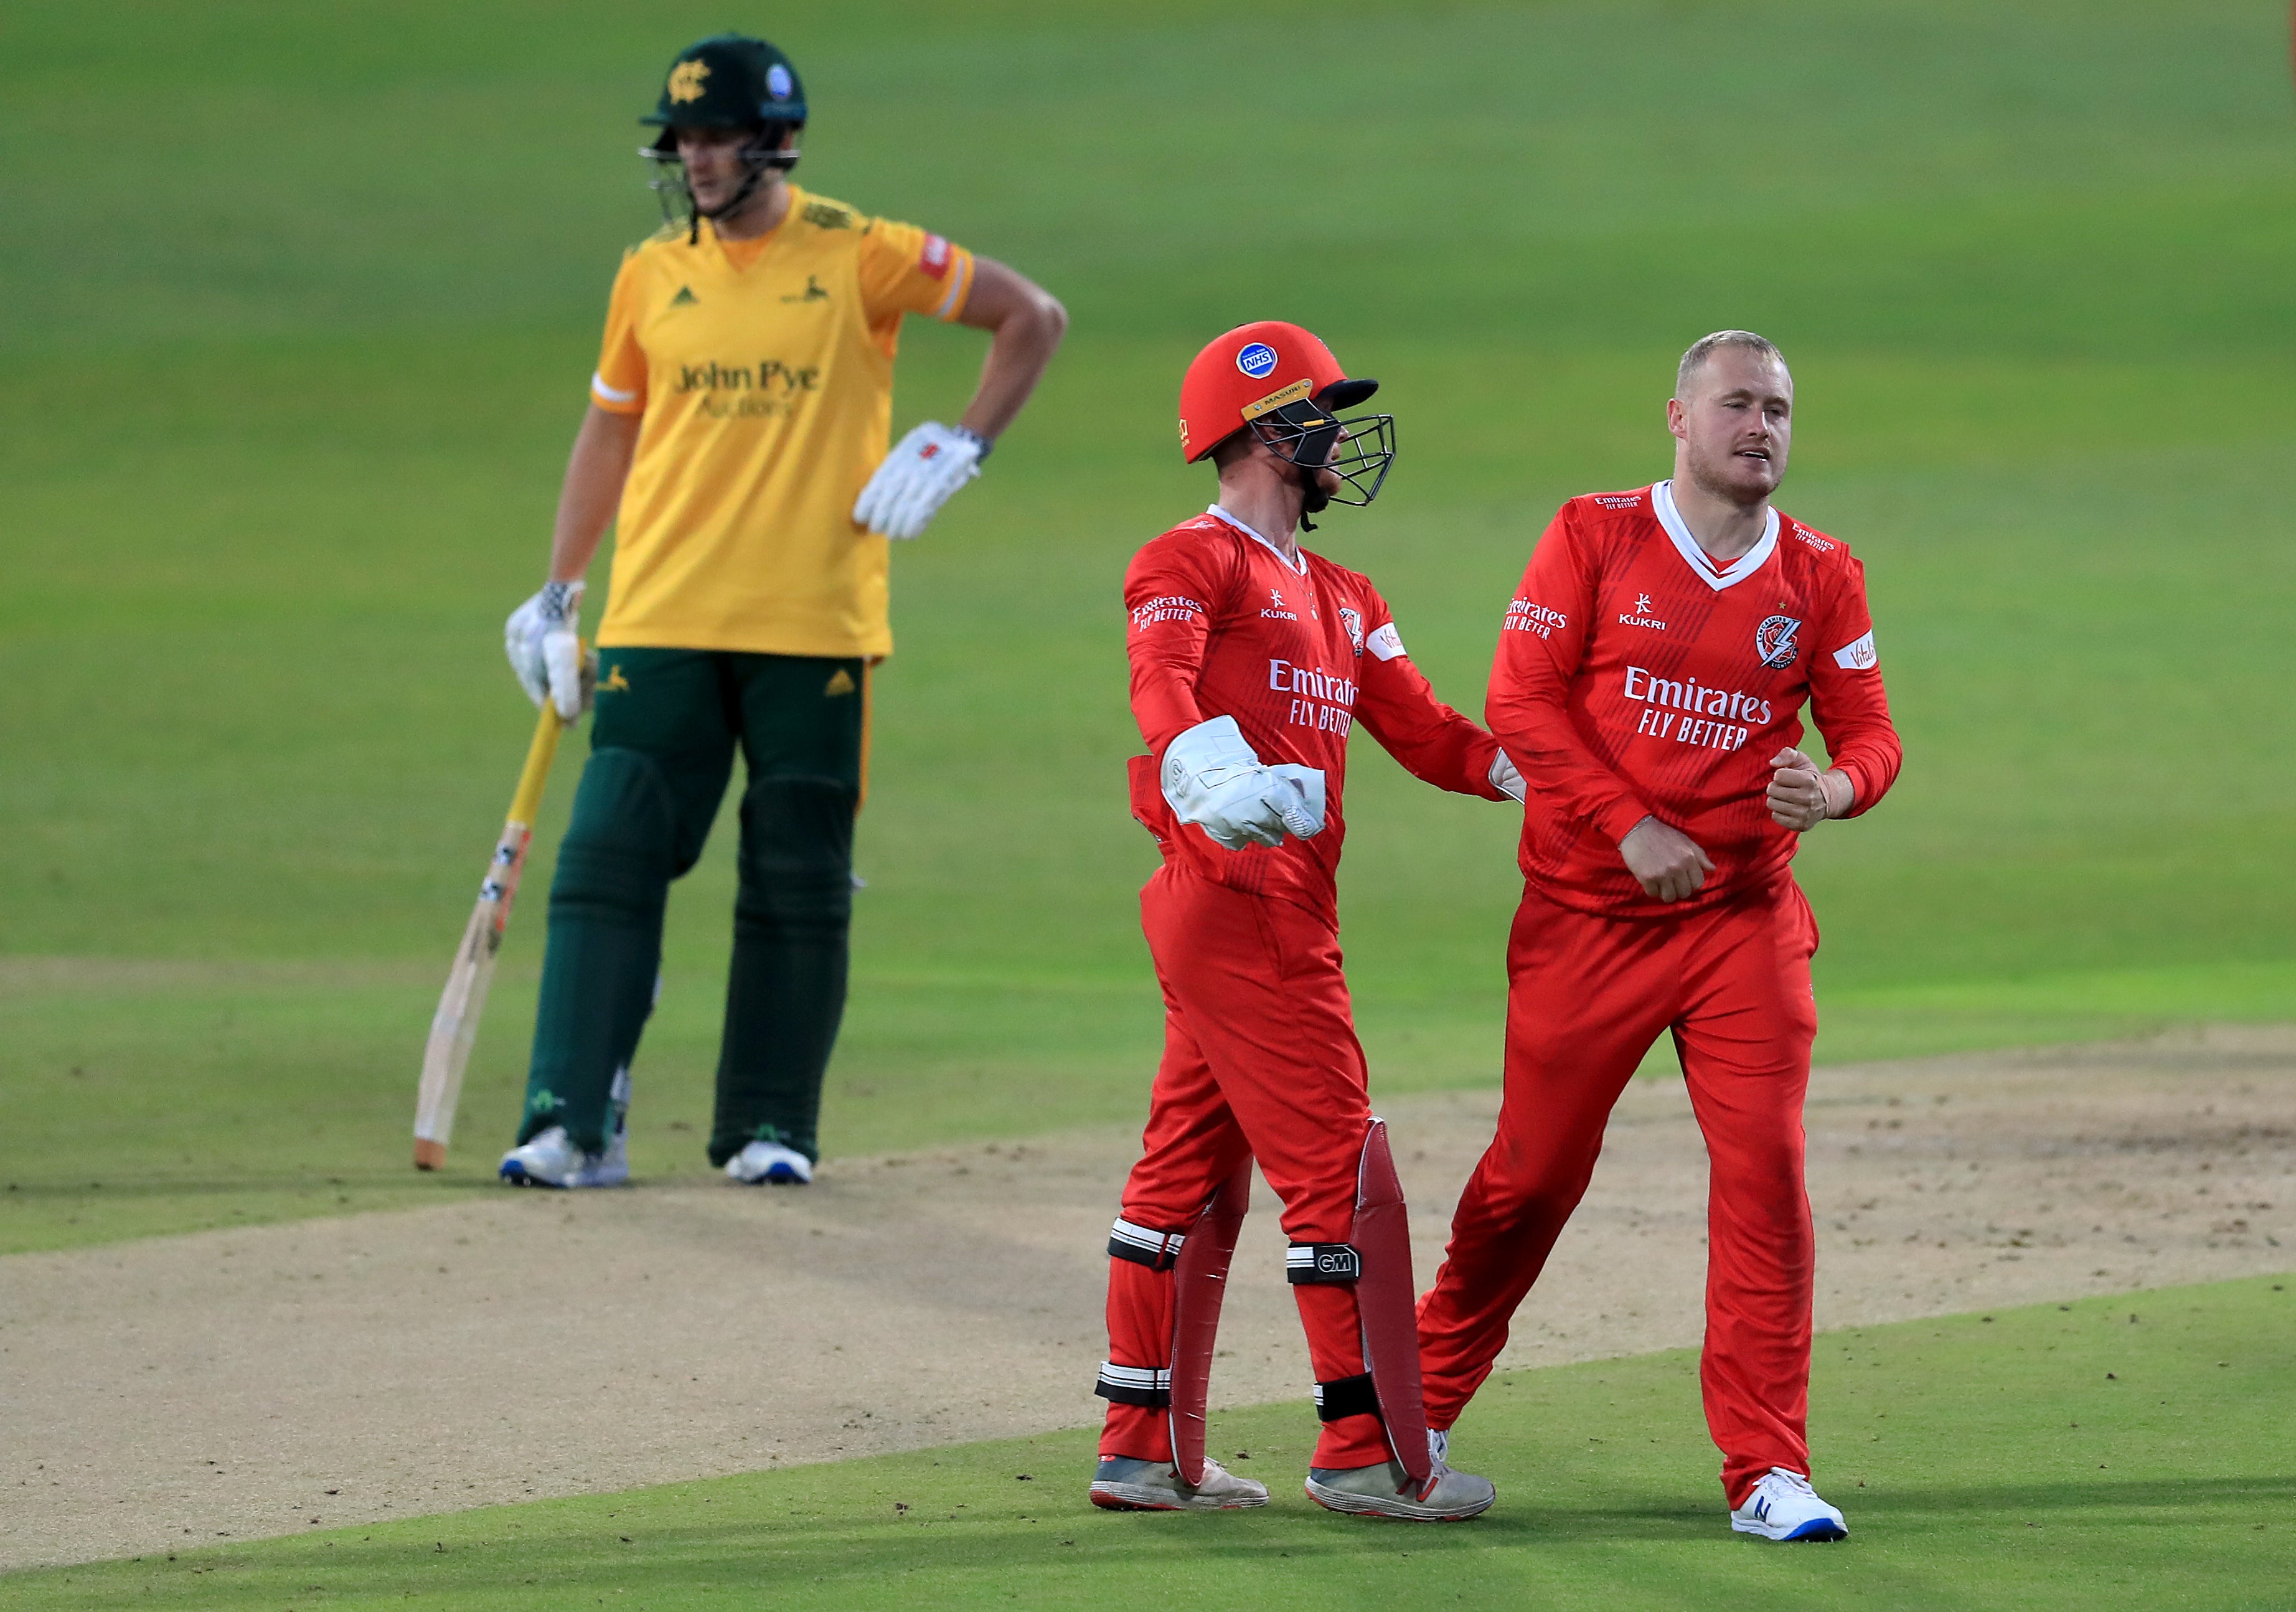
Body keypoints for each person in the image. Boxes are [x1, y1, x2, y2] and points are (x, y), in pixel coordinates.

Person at [496, 34, 1065, 1189]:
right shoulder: (650, 273)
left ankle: (771, 1126)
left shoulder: (861, 255)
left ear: (773, 141)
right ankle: (570, 1121)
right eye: (684, 138)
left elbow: (1033, 317)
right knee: (607, 857)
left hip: (816, 624)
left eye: (716, 137)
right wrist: (559, 589)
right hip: (659, 613)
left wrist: (967, 441)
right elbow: (610, 429)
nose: (695, 158)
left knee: (797, 876)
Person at [1414, 331, 1903, 1541]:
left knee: (1764, 1181)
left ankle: (1764, 1469)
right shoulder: (1592, 535)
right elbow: (1517, 697)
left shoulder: (1821, 573)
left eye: (1778, 408)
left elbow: (1871, 737)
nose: (1760, 427)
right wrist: (1627, 825)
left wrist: (1830, 791)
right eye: (1735, 403)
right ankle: (1407, 1416)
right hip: (1587, 917)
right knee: (1529, 1177)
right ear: (1675, 421)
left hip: (1742, 921)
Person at [1088, 321, 1518, 1520]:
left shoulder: (1345, 593)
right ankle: (1367, 1453)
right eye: (1322, 412)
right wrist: (1206, 769)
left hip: (1279, 912)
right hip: (1240, 903)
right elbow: (1161, 683)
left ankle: (1140, 1447)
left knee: (1186, 1171)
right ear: (1261, 431)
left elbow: (1425, 729)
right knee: (1340, 1163)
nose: (1341, 435)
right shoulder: (1186, 559)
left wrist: (1539, 775)